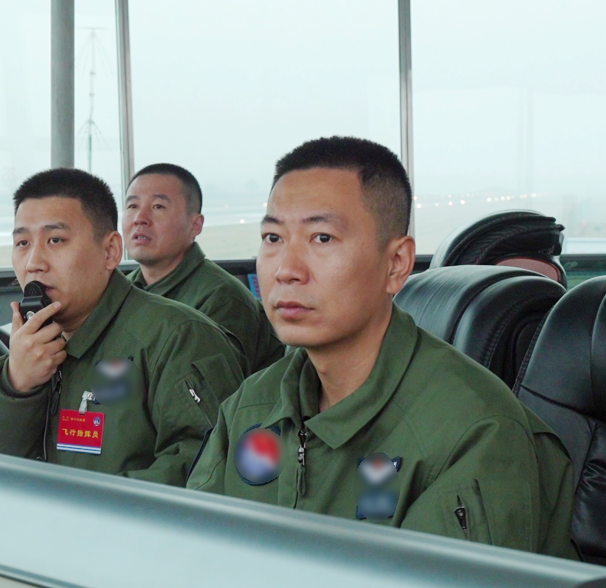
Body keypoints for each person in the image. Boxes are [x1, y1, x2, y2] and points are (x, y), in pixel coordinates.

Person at [187, 137, 576, 558]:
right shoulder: (252, 404)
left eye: (322, 238)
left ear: (396, 264)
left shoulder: (475, 433)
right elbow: (190, 554)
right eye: (273, 237)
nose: (286, 270)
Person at [0, 168, 245, 486]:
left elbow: (209, 469)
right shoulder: (29, 351)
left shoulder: (178, 338)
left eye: (55, 240)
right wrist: (15, 384)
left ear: (110, 251)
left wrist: (73, 502)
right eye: (23, 243)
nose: (33, 263)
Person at [124, 163, 284, 372]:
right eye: (132, 206)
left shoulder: (221, 299)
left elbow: (203, 386)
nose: (140, 219)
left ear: (195, 225)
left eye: (158, 207)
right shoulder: (120, 291)